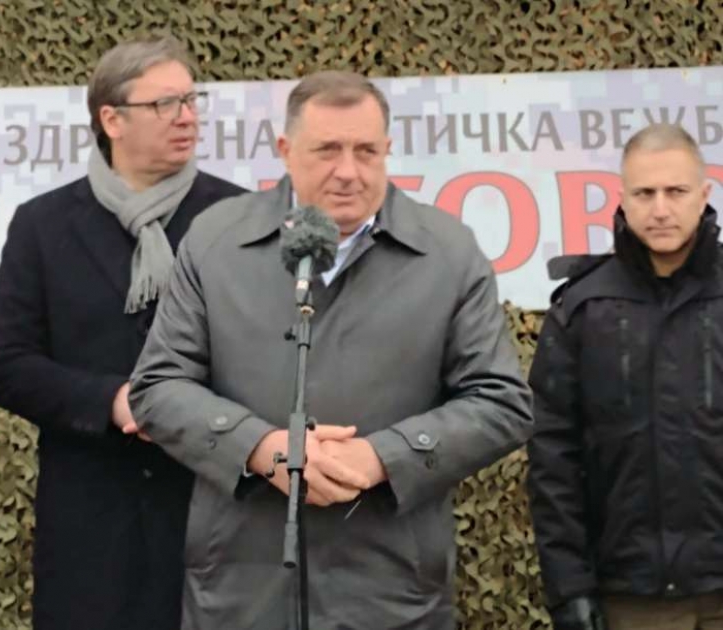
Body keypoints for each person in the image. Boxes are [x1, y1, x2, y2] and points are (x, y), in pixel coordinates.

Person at [128, 70, 534, 630]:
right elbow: (157, 387)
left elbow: (501, 401)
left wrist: (383, 457)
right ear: (285, 150)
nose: (348, 170)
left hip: (392, 590)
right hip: (242, 587)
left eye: (366, 151)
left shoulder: (448, 253)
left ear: (387, 150)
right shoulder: (215, 241)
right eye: (327, 150)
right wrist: (261, 448)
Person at [0, 34, 245, 630]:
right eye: (165, 104)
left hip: (212, 514)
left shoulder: (240, 219)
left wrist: (196, 412)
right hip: (90, 525)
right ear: (111, 119)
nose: (187, 117)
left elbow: (272, 355)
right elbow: (8, 364)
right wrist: (113, 402)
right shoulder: (43, 225)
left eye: (191, 100)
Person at [527, 123, 723, 630]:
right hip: (632, 599)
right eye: (644, 193)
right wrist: (569, 588)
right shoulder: (583, 308)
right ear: (622, 199)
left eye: (676, 191)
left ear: (704, 194)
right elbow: (554, 458)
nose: (660, 208)